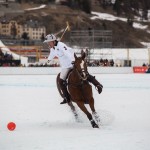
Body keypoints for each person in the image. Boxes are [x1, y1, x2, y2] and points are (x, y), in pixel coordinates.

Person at [44, 34, 103, 104]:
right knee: (60, 82)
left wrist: (73, 60)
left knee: (84, 74)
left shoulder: (61, 45)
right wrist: (48, 60)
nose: (48, 43)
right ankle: (67, 98)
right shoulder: (52, 48)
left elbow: (68, 53)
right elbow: (52, 54)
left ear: (53, 41)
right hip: (65, 67)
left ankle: (98, 85)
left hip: (72, 63)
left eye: (49, 42)